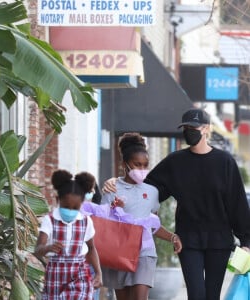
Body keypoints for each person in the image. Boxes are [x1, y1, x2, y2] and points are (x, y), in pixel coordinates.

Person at [103, 108, 250, 300]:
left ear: (206, 129)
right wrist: (116, 183)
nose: (189, 131)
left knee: (212, 295)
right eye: (186, 127)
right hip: (188, 240)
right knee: (196, 294)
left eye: (194, 127)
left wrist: (246, 241)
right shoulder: (175, 161)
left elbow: (236, 203)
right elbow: (145, 187)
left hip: (219, 241)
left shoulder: (225, 162)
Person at [100, 132, 182, 300]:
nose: (142, 170)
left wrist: (172, 237)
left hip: (145, 253)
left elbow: (152, 225)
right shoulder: (111, 189)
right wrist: (115, 210)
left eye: (145, 165)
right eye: (137, 165)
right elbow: (103, 225)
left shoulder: (152, 192)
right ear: (124, 164)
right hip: (118, 253)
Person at [35, 169, 103, 300]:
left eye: (75, 207)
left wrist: (98, 273)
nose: (70, 211)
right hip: (56, 275)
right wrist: (48, 248)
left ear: (82, 203)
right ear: (57, 199)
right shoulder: (49, 221)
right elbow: (38, 250)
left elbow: (91, 248)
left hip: (79, 274)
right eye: (66, 207)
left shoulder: (85, 221)